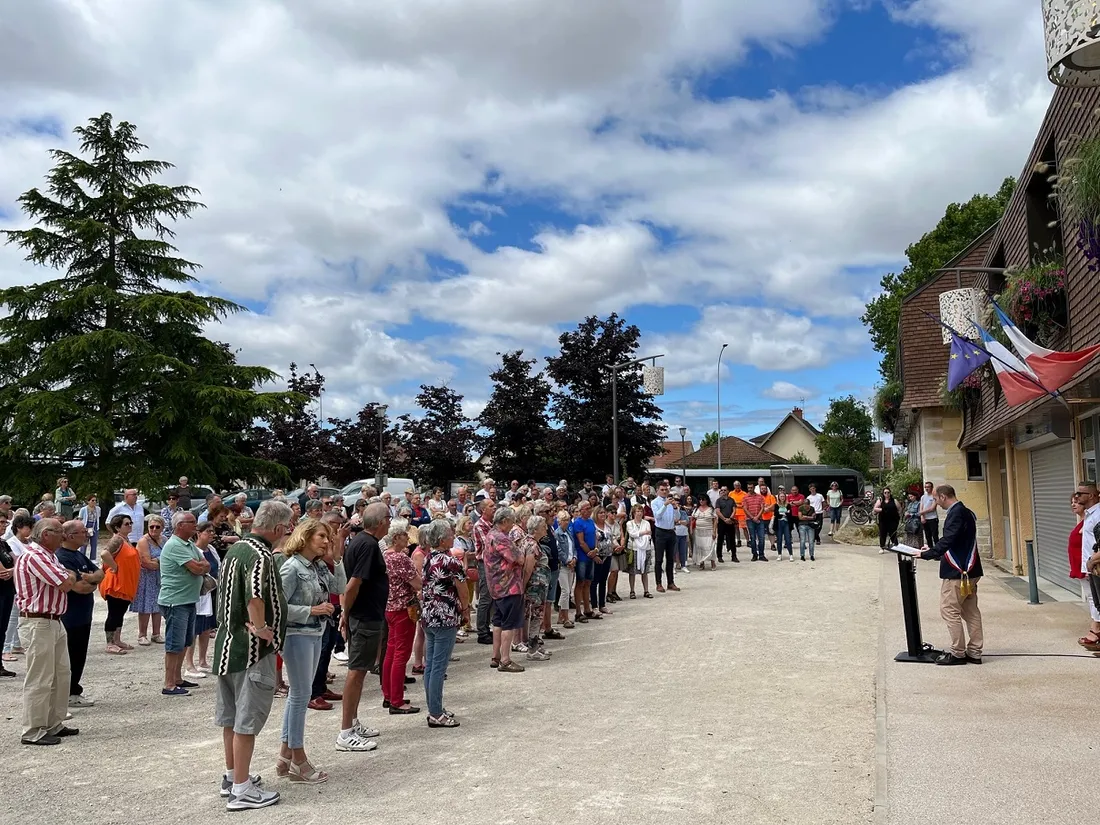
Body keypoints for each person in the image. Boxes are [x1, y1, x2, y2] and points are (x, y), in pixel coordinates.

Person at [213, 499, 292, 810]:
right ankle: (242, 790)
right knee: (247, 719)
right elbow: (255, 596)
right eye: (285, 528)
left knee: (231, 717)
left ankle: (234, 775)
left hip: (227, 645)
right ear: (277, 528)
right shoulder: (260, 554)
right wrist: (261, 628)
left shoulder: (236, 550)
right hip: (250, 650)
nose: (287, 533)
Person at [278, 518, 345, 783]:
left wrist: (337, 558)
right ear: (305, 537)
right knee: (301, 695)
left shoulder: (317, 566)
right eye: (322, 537)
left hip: (315, 633)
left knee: (298, 693)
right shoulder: (291, 567)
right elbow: (278, 607)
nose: (327, 542)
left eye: (328, 538)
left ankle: (286, 755)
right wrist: (312, 610)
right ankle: (298, 759)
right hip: (297, 635)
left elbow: (339, 588)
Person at [15, 518, 79, 746]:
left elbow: (69, 579)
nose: (64, 536)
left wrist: (69, 577)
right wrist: (69, 576)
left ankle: (53, 723)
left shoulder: (49, 556)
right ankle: (33, 730)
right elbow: (66, 582)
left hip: (53, 620)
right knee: (40, 679)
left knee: (62, 675)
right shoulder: (35, 557)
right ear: (45, 535)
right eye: (60, 532)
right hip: (38, 622)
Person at [337, 502, 390, 753]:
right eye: (388, 518)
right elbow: (352, 585)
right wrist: (345, 615)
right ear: (380, 522)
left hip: (365, 615)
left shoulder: (359, 541)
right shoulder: (368, 545)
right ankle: (345, 732)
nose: (390, 522)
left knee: (359, 672)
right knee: (356, 673)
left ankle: (354, 722)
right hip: (365, 616)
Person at [914, 485, 983, 666]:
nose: (936, 502)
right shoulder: (966, 511)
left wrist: (927, 554)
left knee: (949, 610)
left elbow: (949, 539)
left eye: (936, 499)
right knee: (970, 611)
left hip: (958, 572)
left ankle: (958, 653)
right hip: (970, 571)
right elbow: (955, 541)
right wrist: (933, 549)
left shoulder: (956, 513)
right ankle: (975, 651)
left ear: (943, 497)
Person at [419, 519, 469, 726]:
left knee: (431, 666)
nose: (453, 537)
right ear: (442, 539)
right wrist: (465, 610)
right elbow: (463, 590)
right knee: (438, 667)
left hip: (429, 616)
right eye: (450, 534)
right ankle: (436, 713)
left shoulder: (428, 558)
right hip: (445, 617)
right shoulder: (451, 562)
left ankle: (435, 707)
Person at [157, 511, 208, 696]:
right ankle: (169, 683)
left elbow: (205, 563)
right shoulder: (174, 545)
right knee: (174, 643)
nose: (196, 524)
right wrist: (199, 567)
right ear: (180, 526)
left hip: (187, 599)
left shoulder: (188, 544)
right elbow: (196, 568)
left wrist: (200, 566)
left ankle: (177, 678)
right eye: (191, 522)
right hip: (175, 601)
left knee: (185, 641)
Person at [55, 520, 102, 707]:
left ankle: (74, 690)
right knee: (70, 656)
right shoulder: (62, 557)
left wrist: (91, 579)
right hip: (70, 616)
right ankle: (66, 694)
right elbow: (80, 588)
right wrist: (91, 581)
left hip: (84, 615)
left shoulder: (79, 556)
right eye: (83, 532)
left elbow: (100, 573)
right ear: (70, 535)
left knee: (80, 654)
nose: (87, 535)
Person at [381, 518, 420, 713]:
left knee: (391, 651)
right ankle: (397, 700)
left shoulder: (385, 556)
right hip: (403, 608)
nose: (408, 537)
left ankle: (389, 694)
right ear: (397, 538)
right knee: (401, 654)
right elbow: (417, 583)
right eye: (405, 534)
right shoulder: (400, 558)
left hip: (390, 607)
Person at [485, 507, 526, 672]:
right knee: (508, 623)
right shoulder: (501, 538)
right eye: (511, 521)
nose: (513, 524)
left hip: (496, 586)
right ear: (504, 521)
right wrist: (519, 552)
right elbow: (518, 559)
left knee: (498, 621)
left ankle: (496, 656)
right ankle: (505, 660)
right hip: (508, 586)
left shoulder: (490, 535)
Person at [98, 513, 141, 653]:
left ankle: (117, 639)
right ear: (117, 527)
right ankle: (110, 643)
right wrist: (114, 567)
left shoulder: (125, 539)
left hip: (125, 583)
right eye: (126, 524)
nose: (130, 526)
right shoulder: (117, 539)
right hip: (116, 583)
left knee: (120, 612)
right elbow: (104, 553)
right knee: (114, 613)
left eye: (130, 523)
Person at [184, 521, 221, 678]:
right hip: (198, 592)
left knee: (206, 628)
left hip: (211, 591)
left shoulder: (211, 549)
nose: (211, 534)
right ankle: (189, 664)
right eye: (208, 532)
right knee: (194, 628)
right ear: (199, 533)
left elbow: (217, 566)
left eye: (213, 532)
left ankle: (203, 660)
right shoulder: (194, 549)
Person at [1067, 493, 1099, 649]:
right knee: (1091, 598)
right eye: (1072, 502)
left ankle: (1096, 629)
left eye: (1077, 502)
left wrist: (1091, 562)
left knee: (1093, 598)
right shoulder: (1083, 521)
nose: (1074, 504)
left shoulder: (1090, 520)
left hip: (1089, 566)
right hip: (1082, 566)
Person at [132, 514, 167, 646]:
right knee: (146, 606)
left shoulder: (164, 539)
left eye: (157, 527)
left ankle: (156, 633)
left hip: (159, 576)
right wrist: (162, 561)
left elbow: (170, 557)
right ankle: (142, 634)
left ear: (162, 528)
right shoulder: (143, 541)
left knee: (158, 605)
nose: (154, 529)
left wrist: (157, 560)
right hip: (146, 577)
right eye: (151, 526)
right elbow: (146, 562)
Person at [1078, 483, 1100, 649]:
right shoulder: (1089, 514)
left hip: (1097, 565)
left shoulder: (1098, 514)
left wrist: (1092, 561)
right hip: (1091, 566)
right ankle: (1096, 629)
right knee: (1094, 599)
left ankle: (1096, 630)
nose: (1077, 496)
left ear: (1092, 495)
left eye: (1080, 493)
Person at [472, 498, 496, 645]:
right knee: (485, 598)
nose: (494, 508)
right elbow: (491, 544)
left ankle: (487, 628)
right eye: (491, 506)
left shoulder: (493, 524)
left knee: (492, 597)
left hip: (493, 563)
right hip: (484, 563)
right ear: (483, 510)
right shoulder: (479, 525)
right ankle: (481, 631)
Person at [571, 501, 600, 617]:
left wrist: (596, 549)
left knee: (588, 581)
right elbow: (581, 542)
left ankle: (588, 609)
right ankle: (578, 611)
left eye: (590, 508)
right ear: (581, 510)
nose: (589, 510)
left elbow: (594, 537)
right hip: (583, 556)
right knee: (580, 582)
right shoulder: (578, 523)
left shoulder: (591, 522)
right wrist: (592, 554)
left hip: (591, 555)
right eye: (586, 508)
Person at [651, 481, 680, 593]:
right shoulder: (655, 502)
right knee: (659, 559)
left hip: (671, 531)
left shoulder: (671, 502)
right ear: (657, 490)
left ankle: (670, 582)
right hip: (660, 532)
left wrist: (675, 507)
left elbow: (677, 517)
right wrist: (665, 505)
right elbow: (657, 516)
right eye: (662, 490)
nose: (664, 492)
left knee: (670, 559)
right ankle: (658, 583)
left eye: (666, 490)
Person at [553, 510, 576, 627]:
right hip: (563, 566)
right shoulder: (557, 534)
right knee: (565, 591)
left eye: (567, 520)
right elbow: (559, 551)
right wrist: (567, 561)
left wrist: (574, 558)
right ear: (559, 521)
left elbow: (573, 547)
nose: (566, 522)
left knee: (567, 591)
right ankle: (566, 617)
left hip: (571, 564)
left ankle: (561, 616)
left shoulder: (568, 532)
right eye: (564, 520)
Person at [625, 504, 653, 599]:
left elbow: (649, 535)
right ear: (633, 513)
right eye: (637, 511)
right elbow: (632, 534)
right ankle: (632, 591)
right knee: (632, 571)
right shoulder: (629, 523)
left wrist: (641, 534)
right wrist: (643, 533)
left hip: (645, 548)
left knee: (644, 571)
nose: (639, 513)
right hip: (633, 549)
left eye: (641, 511)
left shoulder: (646, 523)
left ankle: (646, 590)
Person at [591, 508, 614, 614]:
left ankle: (602, 604)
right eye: (600, 513)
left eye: (604, 512)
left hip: (608, 555)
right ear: (596, 514)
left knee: (603, 581)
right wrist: (595, 555)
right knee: (594, 581)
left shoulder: (608, 526)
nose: (603, 514)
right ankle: (594, 606)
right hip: (598, 556)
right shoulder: (593, 527)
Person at [0, 513, 14, 678]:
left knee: (2, 629)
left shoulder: (3, 543)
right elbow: (2, 572)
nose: (4, 525)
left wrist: (12, 570)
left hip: (7, 590)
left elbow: (18, 561)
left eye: (5, 522)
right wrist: (13, 570)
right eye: (1, 522)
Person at [743, 485, 767, 562]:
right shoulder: (745, 497)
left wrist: (757, 517)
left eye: (751, 488)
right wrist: (753, 518)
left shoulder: (760, 497)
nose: (750, 489)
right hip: (750, 520)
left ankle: (761, 555)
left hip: (760, 519)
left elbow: (762, 508)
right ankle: (754, 554)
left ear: (754, 488)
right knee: (752, 538)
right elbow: (745, 509)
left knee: (761, 538)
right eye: (748, 488)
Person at [692, 495, 717, 569]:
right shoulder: (696, 509)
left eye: (703, 499)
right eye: (700, 499)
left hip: (709, 530)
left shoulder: (711, 509)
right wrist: (691, 529)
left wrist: (714, 531)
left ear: (707, 500)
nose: (701, 501)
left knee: (710, 546)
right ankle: (701, 562)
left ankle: (713, 562)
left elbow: (715, 521)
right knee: (700, 546)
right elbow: (693, 519)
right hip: (698, 531)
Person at [873, 487, 900, 554]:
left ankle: (896, 546)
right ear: (883, 493)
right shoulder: (880, 500)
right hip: (883, 520)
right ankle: (882, 547)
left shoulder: (894, 500)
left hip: (893, 520)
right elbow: (875, 509)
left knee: (893, 533)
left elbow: (899, 509)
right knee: (883, 534)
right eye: (885, 492)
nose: (887, 494)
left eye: (888, 492)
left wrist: (897, 516)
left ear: (890, 493)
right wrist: (881, 510)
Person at [714, 486, 737, 563]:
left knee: (732, 539)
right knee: (720, 539)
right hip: (722, 522)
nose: (723, 491)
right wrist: (724, 519)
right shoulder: (718, 501)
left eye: (725, 490)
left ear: (728, 491)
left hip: (730, 521)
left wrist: (730, 518)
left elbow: (734, 510)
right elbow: (717, 511)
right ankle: (719, 556)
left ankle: (734, 556)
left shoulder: (732, 500)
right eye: (722, 490)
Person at [77, 495, 100, 560]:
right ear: (88, 501)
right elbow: (80, 518)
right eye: (92, 500)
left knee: (94, 544)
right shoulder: (83, 509)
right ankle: (82, 557)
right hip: (86, 526)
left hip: (94, 526)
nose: (94, 502)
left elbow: (98, 517)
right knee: (84, 543)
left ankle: (93, 559)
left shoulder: (98, 509)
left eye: (95, 500)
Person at [773, 492, 795, 561]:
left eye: (783, 496)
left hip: (786, 523)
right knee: (779, 540)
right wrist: (785, 513)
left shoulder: (788, 505)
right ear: (778, 497)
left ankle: (791, 555)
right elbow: (776, 514)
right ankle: (779, 554)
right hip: (779, 523)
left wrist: (781, 513)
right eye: (781, 496)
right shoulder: (776, 505)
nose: (782, 498)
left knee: (788, 539)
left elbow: (790, 514)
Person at [919, 481, 939, 548]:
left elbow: (932, 508)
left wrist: (922, 512)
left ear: (932, 488)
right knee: (928, 536)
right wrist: (922, 517)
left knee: (935, 536)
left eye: (928, 487)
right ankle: (931, 550)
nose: (927, 488)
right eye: (925, 487)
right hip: (925, 519)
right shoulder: (923, 497)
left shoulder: (934, 497)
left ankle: (938, 552)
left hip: (933, 518)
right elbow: (921, 507)